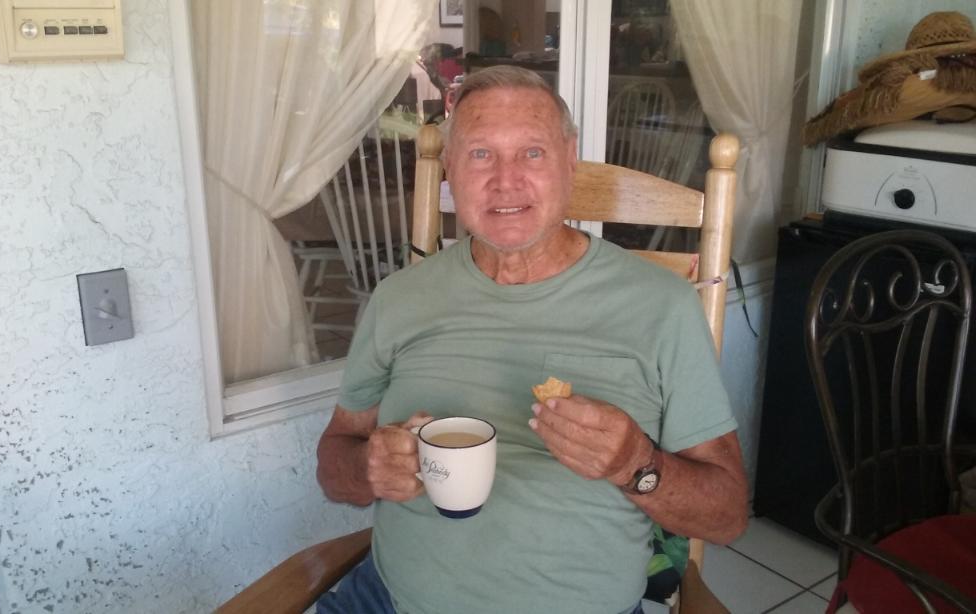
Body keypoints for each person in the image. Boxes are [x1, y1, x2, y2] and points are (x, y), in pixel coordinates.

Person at [315, 65, 748, 614]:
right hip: (389, 601)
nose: (506, 180)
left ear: (570, 160)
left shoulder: (662, 307)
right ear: (449, 169)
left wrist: (634, 465)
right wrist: (367, 469)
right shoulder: (398, 300)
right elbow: (334, 462)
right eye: (480, 154)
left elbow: (727, 515)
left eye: (532, 153)